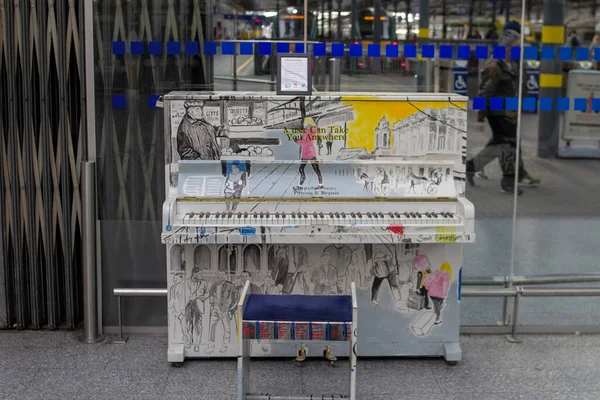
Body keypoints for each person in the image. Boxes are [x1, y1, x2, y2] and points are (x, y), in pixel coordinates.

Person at [466, 27, 541, 194]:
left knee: (500, 143)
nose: (519, 48)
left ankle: (471, 167)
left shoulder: (511, 62)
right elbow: (483, 92)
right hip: (497, 112)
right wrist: (480, 117)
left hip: (508, 111)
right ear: (507, 47)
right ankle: (508, 182)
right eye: (516, 45)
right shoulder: (495, 65)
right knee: (509, 145)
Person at [207, 271, 236, 353]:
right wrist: (212, 302)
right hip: (215, 308)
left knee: (227, 328)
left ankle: (225, 345)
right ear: (217, 276)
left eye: (222, 274)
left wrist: (230, 310)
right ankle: (211, 346)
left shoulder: (231, 285)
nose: (221, 276)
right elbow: (211, 296)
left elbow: (235, 299)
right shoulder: (214, 285)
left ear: (225, 276)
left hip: (225, 310)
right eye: (219, 274)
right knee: (211, 327)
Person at [294, 117, 324, 191]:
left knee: (302, 169)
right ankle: (320, 185)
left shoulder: (308, 131)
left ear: (308, 123)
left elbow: (307, 142)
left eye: (304, 122)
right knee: (316, 169)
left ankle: (300, 186)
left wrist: (297, 141)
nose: (303, 123)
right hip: (310, 152)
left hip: (307, 153)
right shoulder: (310, 130)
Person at [184, 267, 208, 346]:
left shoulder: (203, 282)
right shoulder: (186, 282)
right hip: (188, 304)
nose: (201, 275)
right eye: (200, 274)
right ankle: (188, 341)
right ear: (194, 274)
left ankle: (197, 343)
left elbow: (207, 292)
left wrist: (204, 297)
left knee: (197, 324)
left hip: (198, 304)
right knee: (188, 324)